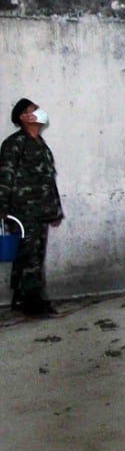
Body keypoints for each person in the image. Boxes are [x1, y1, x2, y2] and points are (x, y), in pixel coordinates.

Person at [0, 98, 63, 316]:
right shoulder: (14, 144)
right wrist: (2, 208)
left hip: (41, 210)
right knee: (30, 258)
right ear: (24, 117)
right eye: (34, 110)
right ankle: (33, 304)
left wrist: (56, 210)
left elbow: (48, 179)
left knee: (32, 255)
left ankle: (21, 299)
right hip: (22, 211)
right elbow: (5, 177)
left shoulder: (40, 143)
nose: (40, 112)